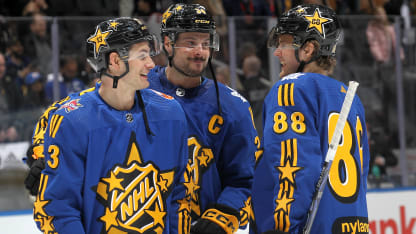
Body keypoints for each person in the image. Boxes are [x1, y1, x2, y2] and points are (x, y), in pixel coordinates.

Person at [31, 17, 190, 233]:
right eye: (142, 55)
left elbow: (179, 196)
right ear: (115, 61)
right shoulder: (73, 120)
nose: (151, 64)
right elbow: (58, 208)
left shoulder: (171, 113)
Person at [251, 4, 370, 234]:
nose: (277, 52)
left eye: (284, 43)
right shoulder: (350, 98)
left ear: (308, 49)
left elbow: (293, 165)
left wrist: (284, 227)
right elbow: (361, 174)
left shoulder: (291, 88)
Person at [149, 3, 259, 233]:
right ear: (168, 44)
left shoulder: (232, 106)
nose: (200, 51)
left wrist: (223, 215)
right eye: (190, 43)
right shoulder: (138, 89)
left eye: (206, 43)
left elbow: (245, 178)